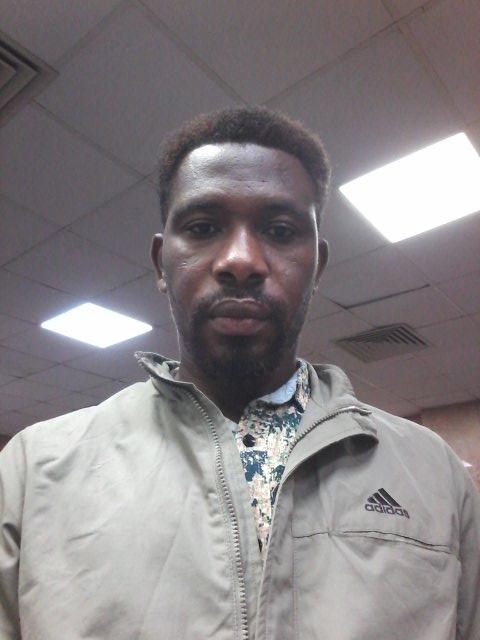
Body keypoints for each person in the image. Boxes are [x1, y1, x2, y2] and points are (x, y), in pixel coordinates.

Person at [0, 107, 479, 639]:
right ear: (161, 264)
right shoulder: (33, 473)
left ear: (317, 266)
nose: (241, 259)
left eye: (280, 230)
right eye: (203, 228)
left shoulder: (435, 477)